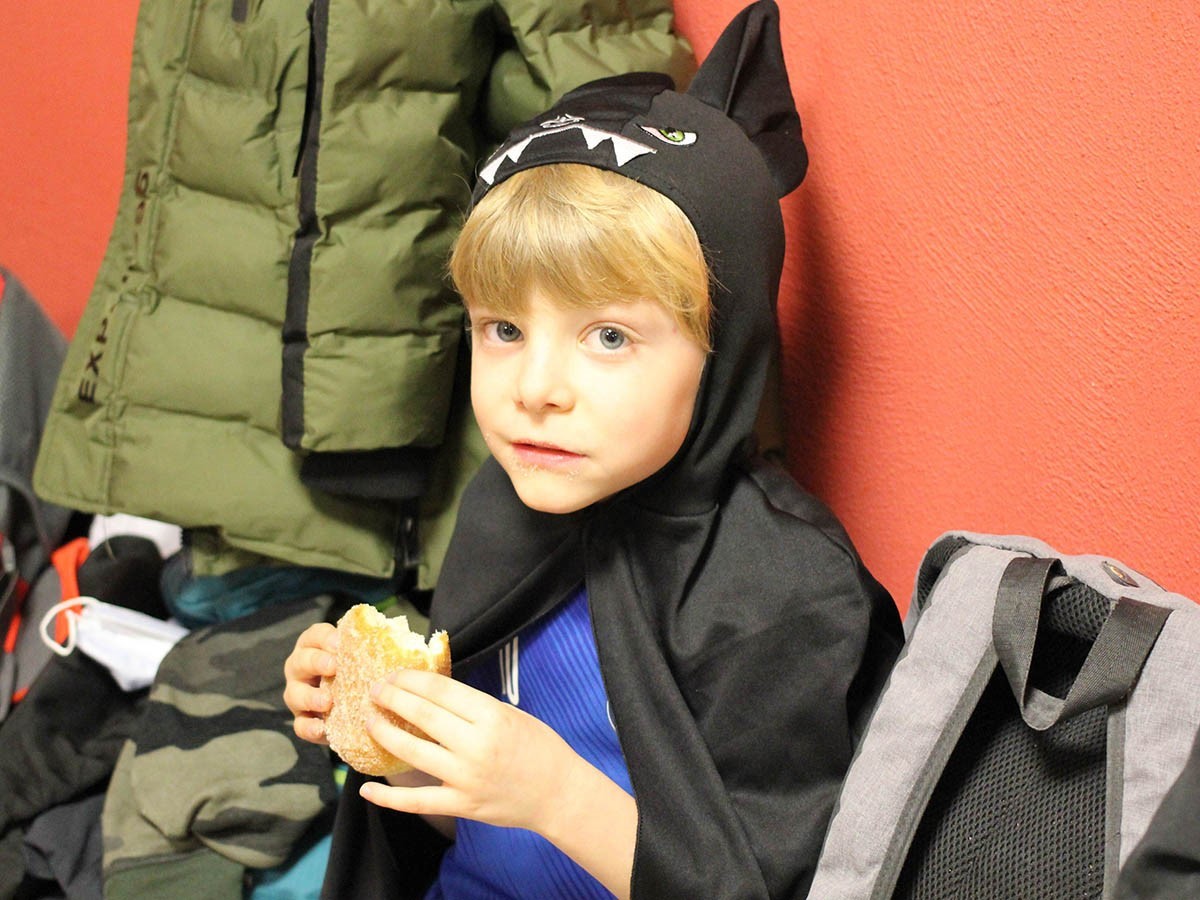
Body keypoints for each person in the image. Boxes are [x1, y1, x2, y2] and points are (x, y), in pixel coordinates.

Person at [284, 2, 903, 897]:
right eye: (503, 329)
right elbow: (468, 826)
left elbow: (779, 883)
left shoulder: (785, 591)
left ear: (723, 353)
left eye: (608, 336)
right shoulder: (503, 511)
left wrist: (554, 794)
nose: (535, 388)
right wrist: (390, 734)